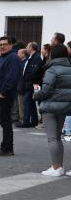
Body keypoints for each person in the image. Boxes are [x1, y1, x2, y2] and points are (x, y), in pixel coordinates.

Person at [33, 44, 71, 176]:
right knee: (58, 137)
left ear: (52, 55)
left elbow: (46, 90)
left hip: (50, 107)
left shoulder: (52, 69)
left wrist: (36, 95)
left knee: (52, 138)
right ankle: (58, 166)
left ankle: (56, 167)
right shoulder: (69, 68)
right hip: (64, 106)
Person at [0, 36, 21, 156]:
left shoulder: (12, 58)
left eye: (5, 44)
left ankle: (6, 148)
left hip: (4, 96)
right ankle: (6, 147)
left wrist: (3, 93)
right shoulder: (4, 57)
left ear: (11, 45)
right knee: (3, 122)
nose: (2, 46)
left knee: (5, 122)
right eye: (0, 44)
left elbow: (11, 78)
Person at [16, 42, 42, 127]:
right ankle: (33, 121)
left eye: (28, 46)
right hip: (27, 83)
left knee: (27, 102)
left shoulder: (37, 58)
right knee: (30, 103)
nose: (26, 48)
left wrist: (26, 78)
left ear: (32, 48)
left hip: (32, 84)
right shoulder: (30, 57)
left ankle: (26, 121)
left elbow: (34, 72)